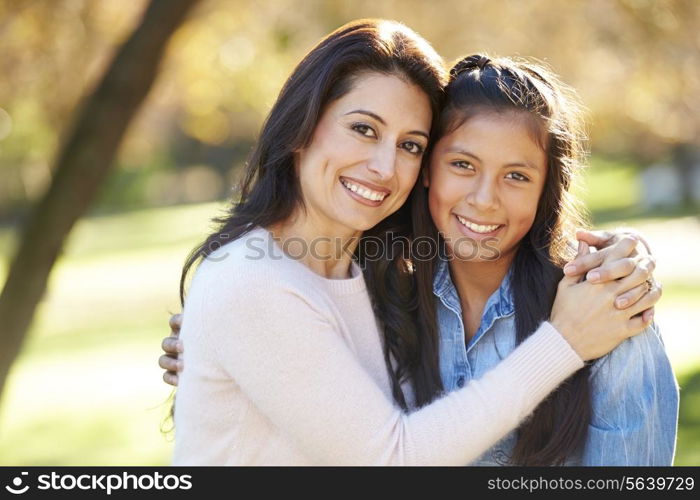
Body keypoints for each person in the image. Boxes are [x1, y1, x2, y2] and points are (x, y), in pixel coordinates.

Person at [166, 19, 661, 465]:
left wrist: (624, 250)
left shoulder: (377, 279)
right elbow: (393, 460)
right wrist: (565, 341)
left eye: (409, 145)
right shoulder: (254, 283)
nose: (384, 167)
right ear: (302, 125)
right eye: (363, 129)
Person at [409, 54, 678, 465]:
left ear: (546, 187)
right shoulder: (382, 298)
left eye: (516, 176)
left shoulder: (609, 306)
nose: (484, 199)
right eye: (462, 165)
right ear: (427, 168)